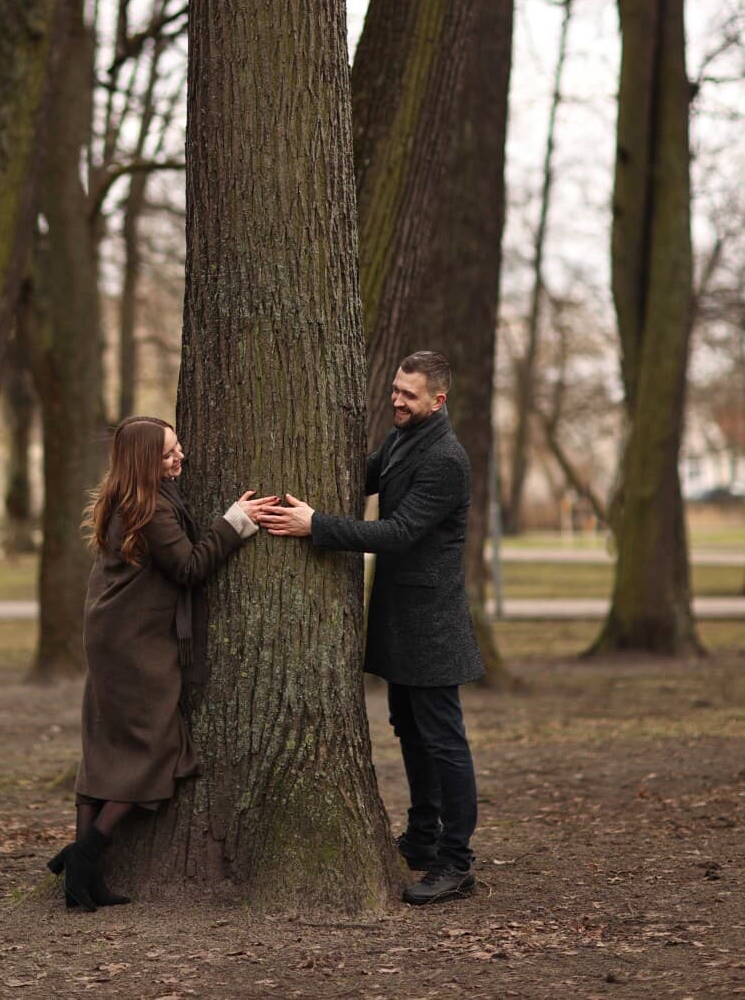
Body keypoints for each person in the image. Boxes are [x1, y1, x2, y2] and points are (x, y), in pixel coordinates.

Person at [259, 351, 483, 906]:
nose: (398, 400)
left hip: (431, 622)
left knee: (444, 741)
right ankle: (423, 837)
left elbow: (400, 531)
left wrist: (317, 525)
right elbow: (368, 474)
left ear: (439, 399)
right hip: (400, 615)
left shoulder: (447, 458)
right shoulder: (404, 436)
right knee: (409, 728)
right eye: (396, 389)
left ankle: (457, 863)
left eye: (410, 394)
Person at [47, 415, 275, 910]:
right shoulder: (149, 509)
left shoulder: (130, 498)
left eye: (179, 448)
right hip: (135, 642)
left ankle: (81, 879)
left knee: (106, 745)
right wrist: (237, 522)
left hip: (115, 632)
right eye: (169, 453)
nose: (181, 459)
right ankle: (86, 855)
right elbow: (191, 568)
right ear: (144, 462)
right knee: (157, 745)